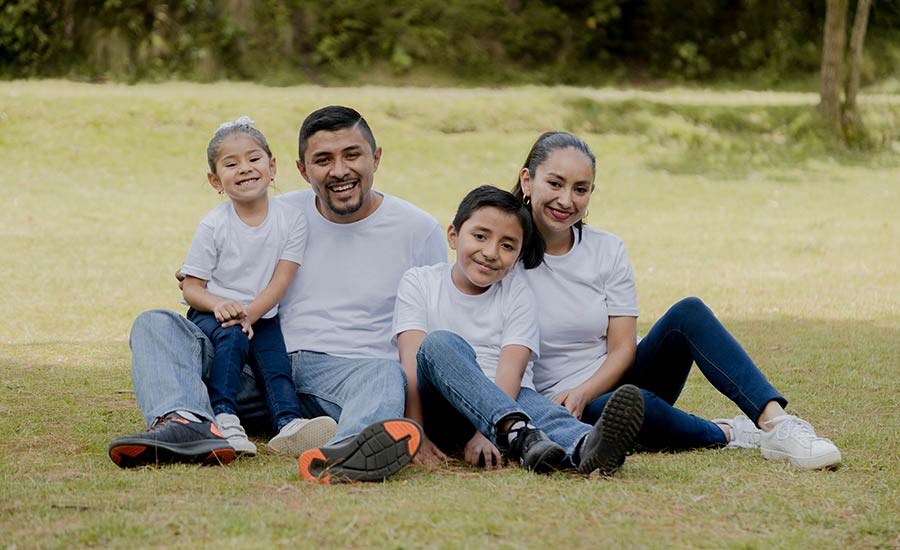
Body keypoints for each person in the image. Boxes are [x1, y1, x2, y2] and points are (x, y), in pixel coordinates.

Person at [109, 106, 447, 483]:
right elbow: (218, 264)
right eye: (323, 160)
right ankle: (185, 422)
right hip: (257, 365)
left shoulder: (418, 229)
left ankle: (349, 448)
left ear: (376, 158)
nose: (339, 171)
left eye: (352, 155)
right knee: (156, 323)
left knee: (386, 374)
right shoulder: (275, 211)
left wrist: (420, 419)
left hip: (348, 379)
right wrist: (202, 284)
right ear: (301, 170)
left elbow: (426, 329)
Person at [512, 131, 842, 470]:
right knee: (631, 406)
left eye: (580, 189)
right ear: (528, 180)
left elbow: (623, 349)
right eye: (555, 184)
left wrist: (586, 389)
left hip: (617, 377)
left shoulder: (607, 249)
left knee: (689, 312)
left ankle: (778, 424)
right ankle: (728, 432)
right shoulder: (504, 258)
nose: (566, 200)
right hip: (568, 407)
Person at [393, 185, 645, 476]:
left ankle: (587, 446)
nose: (490, 252)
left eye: (507, 245)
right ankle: (519, 432)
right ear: (453, 235)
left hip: (508, 397)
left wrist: (488, 432)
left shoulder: (518, 293)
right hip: (442, 404)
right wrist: (416, 431)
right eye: (480, 236)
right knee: (439, 344)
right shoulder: (420, 282)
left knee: (539, 407)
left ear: (517, 257)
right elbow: (411, 363)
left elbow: (511, 372)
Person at [179, 116, 336, 457]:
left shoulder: (291, 220)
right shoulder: (214, 225)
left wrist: (251, 313)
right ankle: (224, 417)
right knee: (232, 338)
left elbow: (282, 278)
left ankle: (289, 424)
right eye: (231, 164)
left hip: (262, 313)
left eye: (254, 159)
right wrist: (221, 305)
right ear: (215, 180)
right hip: (213, 314)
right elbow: (191, 288)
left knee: (275, 363)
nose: (245, 169)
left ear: (272, 166)